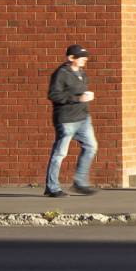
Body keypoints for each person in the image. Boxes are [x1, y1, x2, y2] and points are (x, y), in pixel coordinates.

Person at [45, 44, 99, 198]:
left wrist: (85, 99)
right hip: (66, 119)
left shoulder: (82, 72)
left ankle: (80, 183)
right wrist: (77, 98)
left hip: (83, 118)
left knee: (91, 147)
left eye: (85, 57)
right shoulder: (61, 74)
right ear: (71, 58)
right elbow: (54, 95)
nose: (84, 59)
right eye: (81, 57)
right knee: (60, 153)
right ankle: (52, 187)